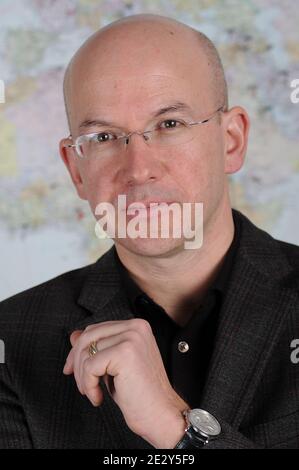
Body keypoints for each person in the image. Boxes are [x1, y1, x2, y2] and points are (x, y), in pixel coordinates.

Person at [0, 13, 298, 450]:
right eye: (103, 137)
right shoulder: (11, 342)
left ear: (231, 140)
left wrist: (177, 428)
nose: (138, 170)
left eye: (170, 125)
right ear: (75, 170)